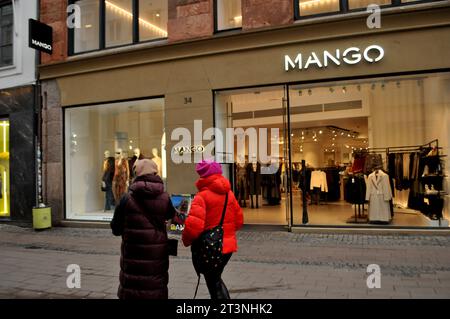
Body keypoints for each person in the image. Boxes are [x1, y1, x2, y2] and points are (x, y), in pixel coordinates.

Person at [110, 159, 176, 299]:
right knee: (154, 289)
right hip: (157, 256)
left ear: (136, 173)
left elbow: (115, 229)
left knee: (133, 291)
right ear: (155, 173)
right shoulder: (165, 198)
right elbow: (171, 216)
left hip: (132, 258)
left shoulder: (126, 199)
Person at [182, 159, 244, 299]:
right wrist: (226, 232)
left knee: (213, 282)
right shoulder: (229, 194)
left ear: (202, 175)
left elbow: (193, 227)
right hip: (227, 247)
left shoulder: (201, 197)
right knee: (215, 279)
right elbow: (239, 221)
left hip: (210, 247)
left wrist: (185, 240)